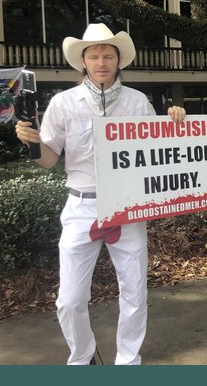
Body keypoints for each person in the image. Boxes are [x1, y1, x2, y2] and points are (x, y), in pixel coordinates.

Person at [14, 23, 186, 365]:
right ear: (84, 62)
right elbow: (49, 160)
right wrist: (32, 143)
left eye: (108, 54)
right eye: (94, 55)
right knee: (70, 299)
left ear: (118, 60)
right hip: (81, 206)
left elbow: (160, 156)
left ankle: (128, 359)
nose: (101, 61)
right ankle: (82, 357)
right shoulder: (63, 104)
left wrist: (176, 125)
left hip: (127, 207)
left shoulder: (138, 102)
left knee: (134, 291)